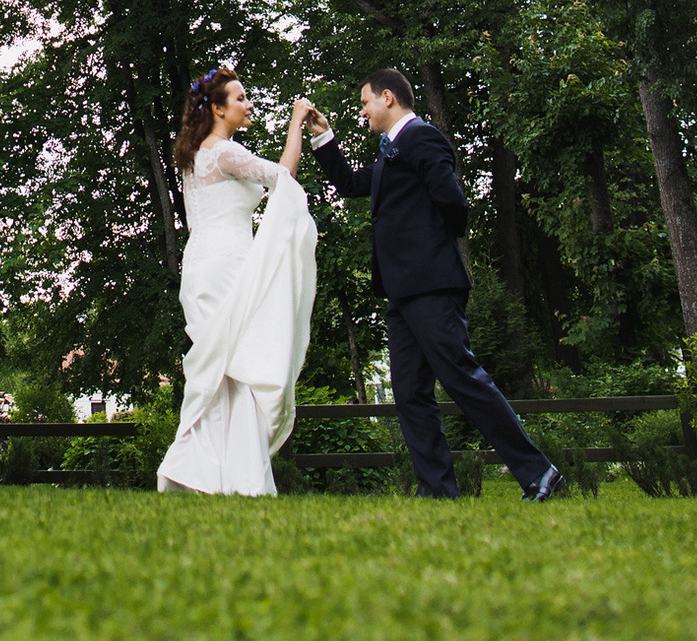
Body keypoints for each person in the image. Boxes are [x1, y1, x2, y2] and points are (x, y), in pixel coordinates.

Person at [311, 67, 566, 501]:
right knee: (410, 392)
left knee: (461, 376)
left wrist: (425, 248)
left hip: (430, 284)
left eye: (365, 102)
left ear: (387, 97)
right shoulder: (392, 151)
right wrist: (323, 137)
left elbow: (454, 204)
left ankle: (540, 473)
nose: (363, 111)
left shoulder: (422, 138)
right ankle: (437, 490)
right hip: (401, 292)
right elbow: (351, 183)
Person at [156, 66, 321, 496]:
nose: (248, 105)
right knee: (242, 369)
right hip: (227, 265)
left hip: (202, 267)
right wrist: (295, 123)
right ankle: (238, 478)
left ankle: (207, 476)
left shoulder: (197, 155)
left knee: (222, 374)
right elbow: (283, 178)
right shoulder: (224, 152)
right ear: (217, 108)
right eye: (240, 98)